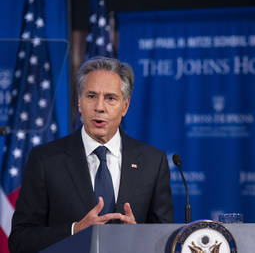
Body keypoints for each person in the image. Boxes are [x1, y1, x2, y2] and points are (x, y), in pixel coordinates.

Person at [8, 56, 174, 253]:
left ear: (125, 106)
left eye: (110, 98)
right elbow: (20, 241)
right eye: (91, 96)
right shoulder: (45, 160)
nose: (99, 107)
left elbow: (166, 242)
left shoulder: (153, 162)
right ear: (79, 102)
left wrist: (139, 236)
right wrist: (75, 230)